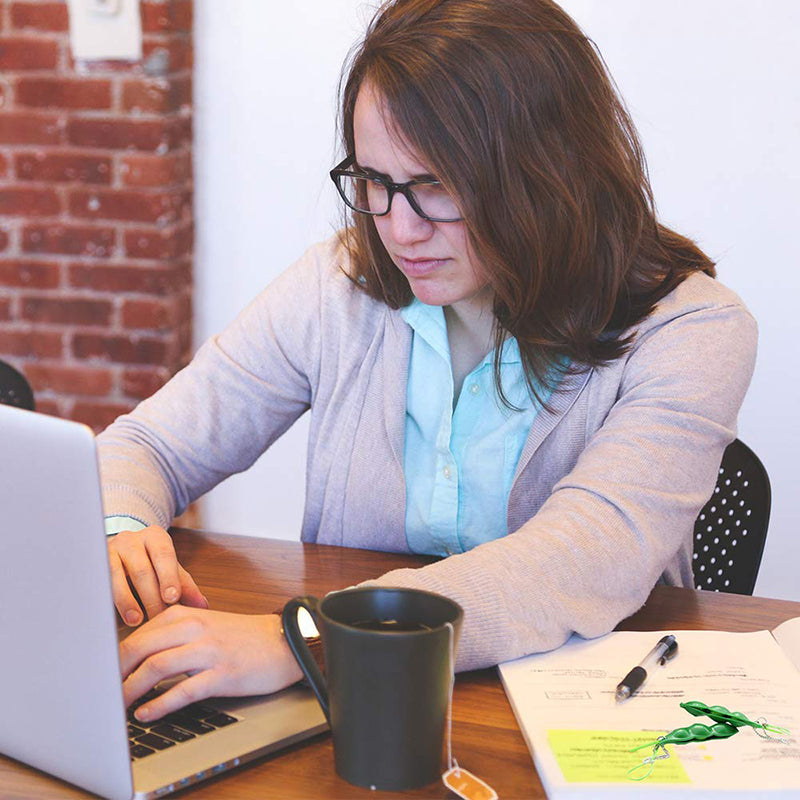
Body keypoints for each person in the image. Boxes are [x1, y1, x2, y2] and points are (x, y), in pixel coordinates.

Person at [102, 0, 757, 724]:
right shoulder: (337, 287)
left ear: (548, 170)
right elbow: (148, 443)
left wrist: (308, 640)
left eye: (437, 185)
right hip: (359, 714)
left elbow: (581, 561)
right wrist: (122, 524)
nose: (398, 229)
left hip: (585, 719)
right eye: (374, 182)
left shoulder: (693, 330)